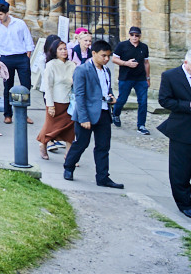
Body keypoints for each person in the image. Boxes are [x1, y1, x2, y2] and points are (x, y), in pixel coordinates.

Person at [62, 38, 124, 188]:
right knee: (81, 143)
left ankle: (103, 177)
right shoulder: (82, 70)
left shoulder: (106, 70)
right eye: (104, 56)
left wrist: (111, 97)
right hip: (87, 113)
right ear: (94, 53)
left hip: (103, 112)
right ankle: (68, 167)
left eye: (108, 56)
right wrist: (83, 117)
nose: (107, 59)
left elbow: (106, 89)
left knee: (103, 146)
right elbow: (80, 96)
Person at [156, 49, 191, 218]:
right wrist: (188, 106)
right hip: (181, 129)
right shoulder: (170, 76)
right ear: (186, 63)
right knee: (180, 169)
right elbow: (164, 100)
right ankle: (184, 203)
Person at [0, 1, 35, 125]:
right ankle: (8, 114)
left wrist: (27, 55)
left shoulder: (19, 23)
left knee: (25, 86)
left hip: (21, 57)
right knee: (7, 87)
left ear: (7, 13)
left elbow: (28, 39)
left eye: (1, 14)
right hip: (6, 58)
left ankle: (23, 113)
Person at [38, 39, 76, 160]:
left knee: (71, 128)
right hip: (55, 101)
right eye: (60, 49)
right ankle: (43, 144)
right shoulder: (51, 65)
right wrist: (50, 105)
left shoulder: (72, 65)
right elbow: (48, 86)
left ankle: (69, 155)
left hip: (69, 101)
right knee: (50, 127)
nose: (64, 51)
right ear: (55, 51)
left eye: (65, 48)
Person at [112, 26, 150, 134]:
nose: (134, 37)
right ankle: (116, 113)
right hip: (126, 77)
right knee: (122, 99)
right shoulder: (122, 45)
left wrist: (148, 78)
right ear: (129, 35)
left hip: (140, 78)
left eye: (136, 35)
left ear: (139, 36)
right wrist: (126, 63)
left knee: (143, 102)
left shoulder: (144, 47)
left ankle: (141, 125)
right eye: (132, 35)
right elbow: (114, 59)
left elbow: (146, 63)